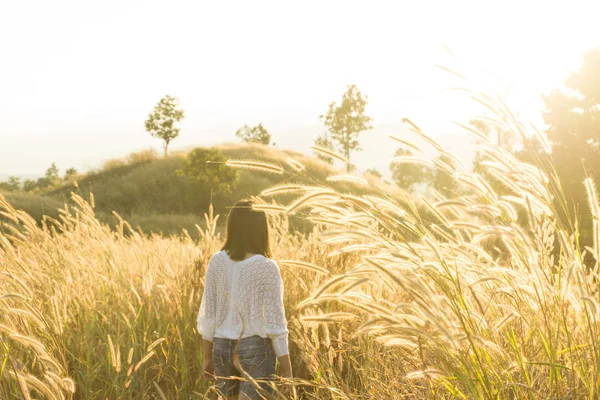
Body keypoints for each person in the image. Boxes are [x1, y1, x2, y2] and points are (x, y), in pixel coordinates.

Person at [197, 199, 293, 400]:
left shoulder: (216, 261)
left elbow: (209, 315)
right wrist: (287, 369)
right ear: (261, 229)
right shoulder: (266, 267)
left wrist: (206, 356)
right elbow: (275, 324)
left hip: (221, 346)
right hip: (256, 348)